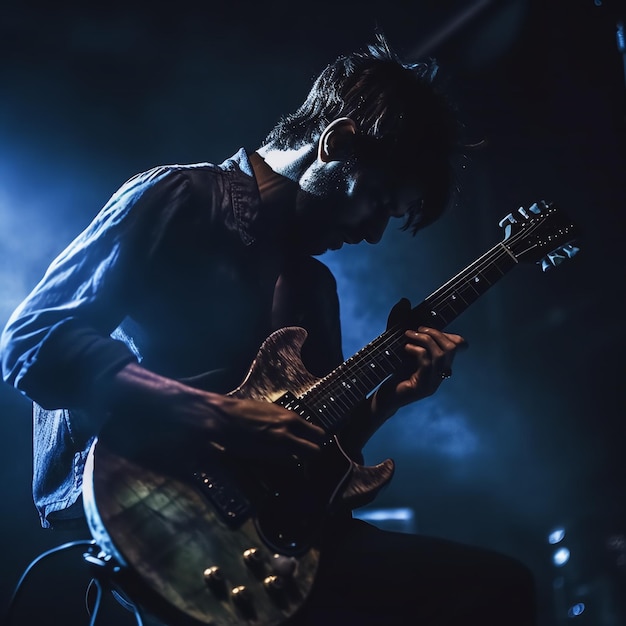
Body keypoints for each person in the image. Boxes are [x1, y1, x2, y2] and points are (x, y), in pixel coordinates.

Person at [1, 34, 537, 625]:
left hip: (262, 548)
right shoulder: (183, 197)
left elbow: (305, 454)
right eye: (380, 200)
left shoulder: (312, 286)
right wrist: (218, 413)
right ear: (335, 143)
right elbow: (33, 341)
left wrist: (388, 402)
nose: (373, 232)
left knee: (496, 588)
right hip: (155, 520)